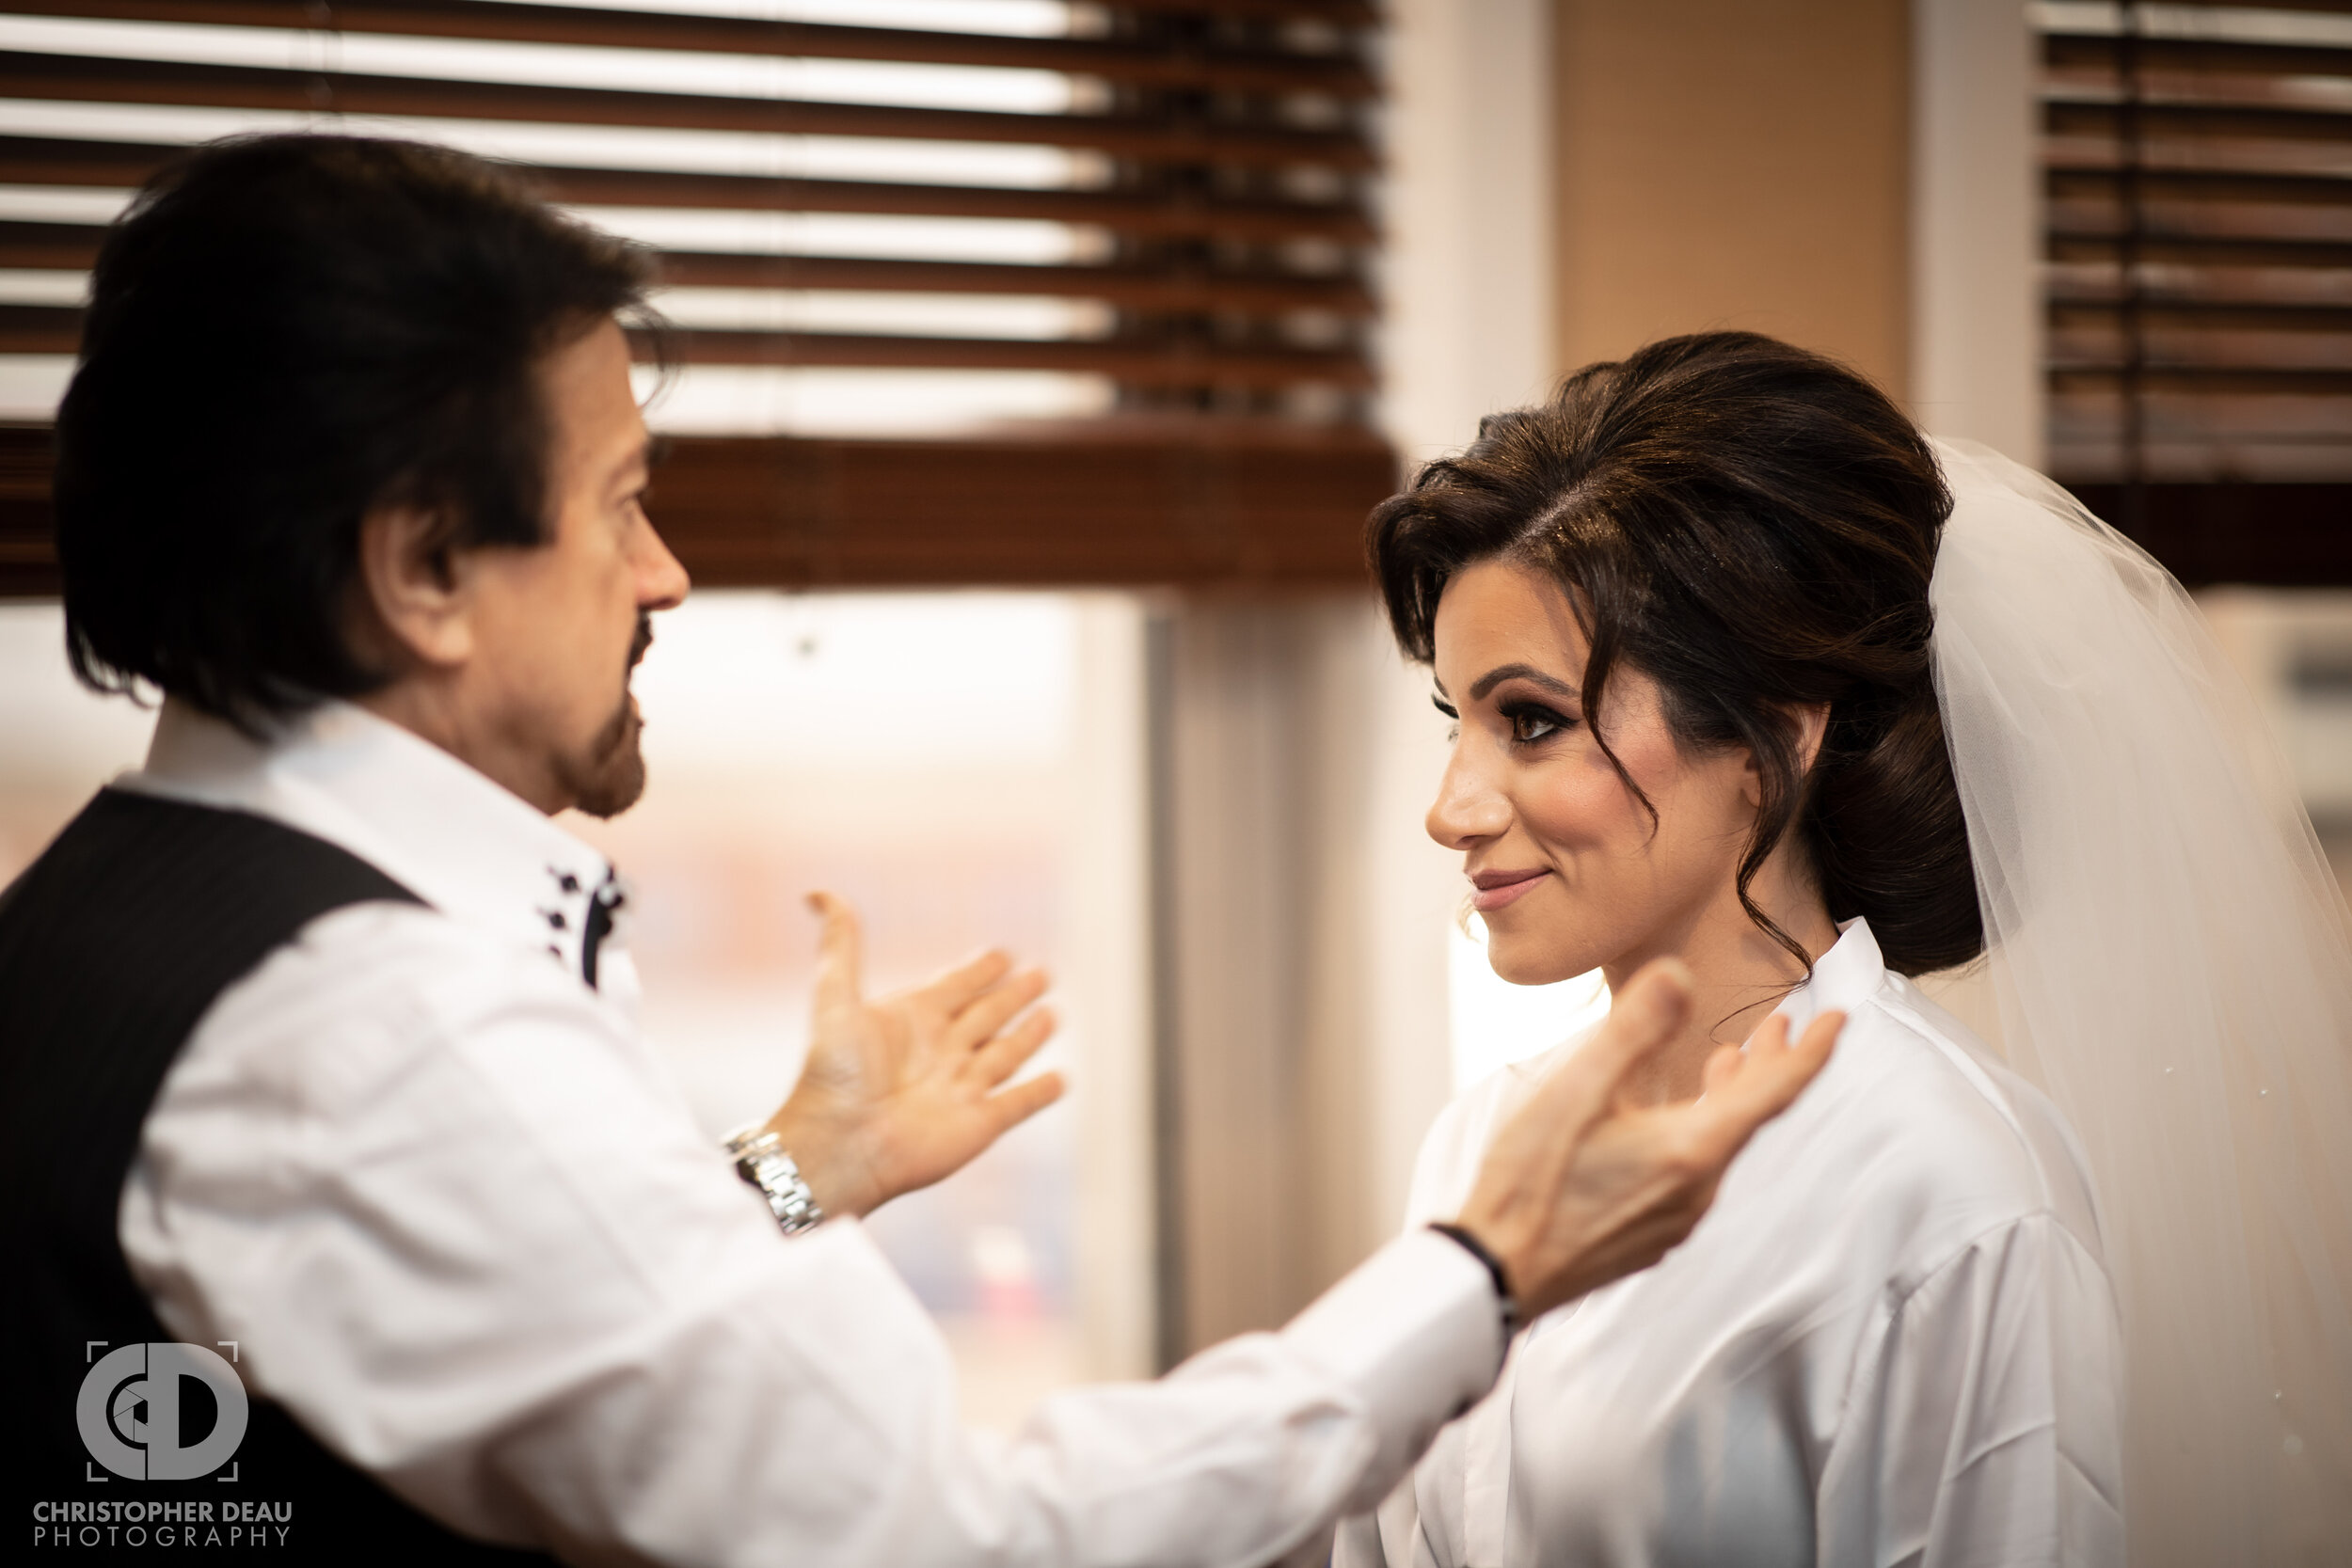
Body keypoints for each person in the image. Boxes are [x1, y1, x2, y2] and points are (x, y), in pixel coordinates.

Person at [0, 137, 1841, 1566]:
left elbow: (471, 1343)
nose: (666, 576)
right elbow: (938, 1540)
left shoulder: (111, 918)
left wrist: (796, 1177)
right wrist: (1485, 1264)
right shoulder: (375, 1027)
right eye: (621, 507)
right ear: (419, 570)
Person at [1336, 331, 2352, 1567]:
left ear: (1776, 735)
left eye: (1532, 722)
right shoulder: (1482, 1145)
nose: (1452, 807)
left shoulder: (1957, 1194)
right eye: (1460, 721)